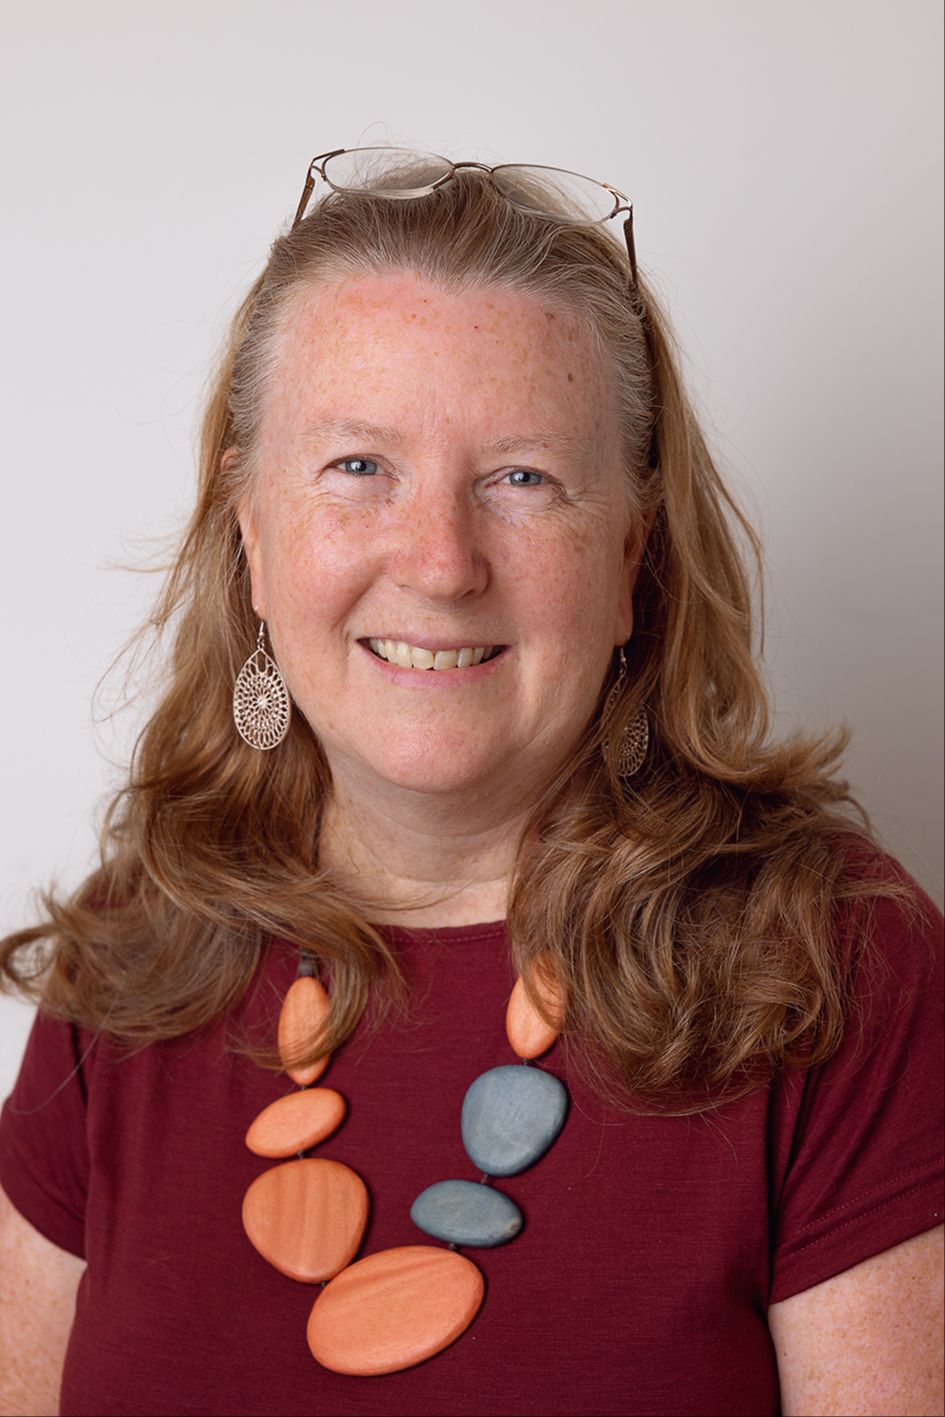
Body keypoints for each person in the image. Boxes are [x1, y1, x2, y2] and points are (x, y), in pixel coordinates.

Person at [0, 145, 942, 1417]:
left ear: (630, 557)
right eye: (358, 466)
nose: (442, 563)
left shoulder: (834, 965)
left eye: (521, 479)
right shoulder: (128, 957)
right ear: (251, 536)